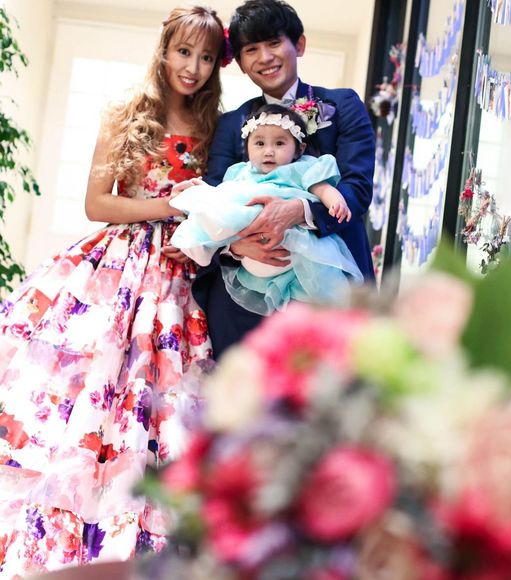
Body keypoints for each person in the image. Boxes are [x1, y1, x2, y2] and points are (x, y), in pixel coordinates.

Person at [0, 6, 227, 576]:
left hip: (183, 273)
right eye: (184, 52)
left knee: (162, 401)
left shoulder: (218, 126)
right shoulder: (126, 111)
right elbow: (97, 203)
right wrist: (172, 205)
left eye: (205, 57)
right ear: (165, 49)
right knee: (93, 391)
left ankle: (142, 548)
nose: (193, 67)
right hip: (118, 268)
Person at [184, 0, 375, 359]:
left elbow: (357, 189)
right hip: (245, 292)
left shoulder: (342, 105)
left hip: (326, 287)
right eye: (251, 49)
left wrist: (299, 210)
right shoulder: (232, 123)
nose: (265, 57)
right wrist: (235, 246)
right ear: (241, 63)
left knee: (327, 389)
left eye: (273, 43)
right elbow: (216, 193)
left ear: (298, 44)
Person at [169, 104, 363, 316]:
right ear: (247, 148)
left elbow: (322, 188)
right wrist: (205, 191)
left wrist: (335, 201)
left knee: (315, 294)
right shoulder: (240, 173)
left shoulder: (301, 168)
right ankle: (198, 237)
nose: (269, 151)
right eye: (259, 143)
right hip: (249, 249)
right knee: (219, 205)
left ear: (299, 149)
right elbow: (224, 195)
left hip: (296, 248)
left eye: (279, 143)